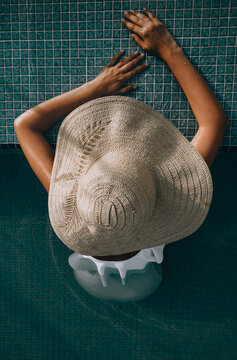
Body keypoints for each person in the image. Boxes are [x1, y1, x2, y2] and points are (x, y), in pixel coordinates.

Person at [14, 9, 229, 301]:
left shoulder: (84, 202)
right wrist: (167, 49)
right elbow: (214, 120)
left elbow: (25, 124)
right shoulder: (77, 199)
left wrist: (96, 87)